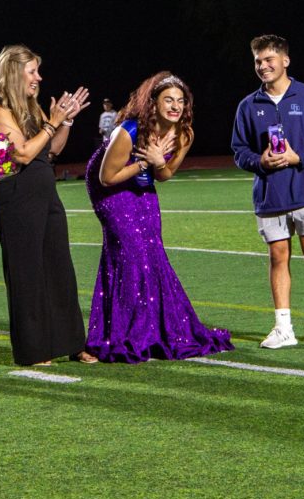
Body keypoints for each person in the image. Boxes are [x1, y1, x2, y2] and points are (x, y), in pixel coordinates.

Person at [85, 72, 233, 362]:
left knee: (152, 252)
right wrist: (144, 162)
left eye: (180, 101)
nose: (175, 106)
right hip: (111, 190)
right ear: (153, 104)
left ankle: (153, 331)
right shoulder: (128, 130)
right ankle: (121, 334)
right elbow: (106, 177)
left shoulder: (184, 133)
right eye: (168, 100)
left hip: (142, 183)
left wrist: (155, 163)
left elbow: (164, 174)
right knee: (130, 253)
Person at [0, 45, 96, 366]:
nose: (38, 78)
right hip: (16, 199)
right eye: (32, 71)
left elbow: (50, 150)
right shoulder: (0, 113)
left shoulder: (33, 108)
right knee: (27, 275)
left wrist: (65, 122)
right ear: (14, 73)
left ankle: (73, 342)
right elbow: (23, 154)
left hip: (45, 195)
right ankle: (34, 350)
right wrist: (51, 123)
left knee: (59, 268)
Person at [231, 34, 304, 348]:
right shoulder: (248, 105)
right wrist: (259, 161)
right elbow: (239, 150)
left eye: (268, 60)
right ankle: (283, 328)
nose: (263, 66)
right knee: (278, 256)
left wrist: (299, 157)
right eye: (258, 61)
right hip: (270, 194)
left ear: (285, 61)